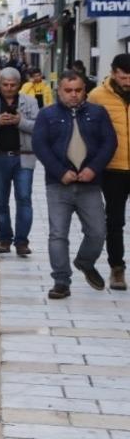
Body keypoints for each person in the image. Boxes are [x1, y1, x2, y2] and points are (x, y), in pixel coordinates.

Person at [33, 70, 116, 299]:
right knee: (58, 234)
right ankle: (61, 281)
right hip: (58, 185)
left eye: (78, 90)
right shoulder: (47, 115)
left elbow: (109, 143)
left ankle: (85, 261)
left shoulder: (98, 113)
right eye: (68, 90)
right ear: (59, 91)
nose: (73, 94)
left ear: (84, 90)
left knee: (98, 232)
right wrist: (60, 172)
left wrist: (93, 169)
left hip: (90, 184)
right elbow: (40, 146)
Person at [0, 67, 40, 257]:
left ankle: (22, 242)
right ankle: (5, 239)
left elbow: (39, 127)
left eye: (12, 85)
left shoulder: (30, 102)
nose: (8, 88)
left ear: (19, 85)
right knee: (0, 202)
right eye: (5, 84)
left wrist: (19, 121)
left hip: (23, 156)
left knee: (24, 198)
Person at [88, 53, 130, 290]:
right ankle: (117, 268)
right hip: (113, 169)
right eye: (123, 77)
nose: (128, 82)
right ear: (113, 73)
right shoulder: (97, 96)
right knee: (115, 220)